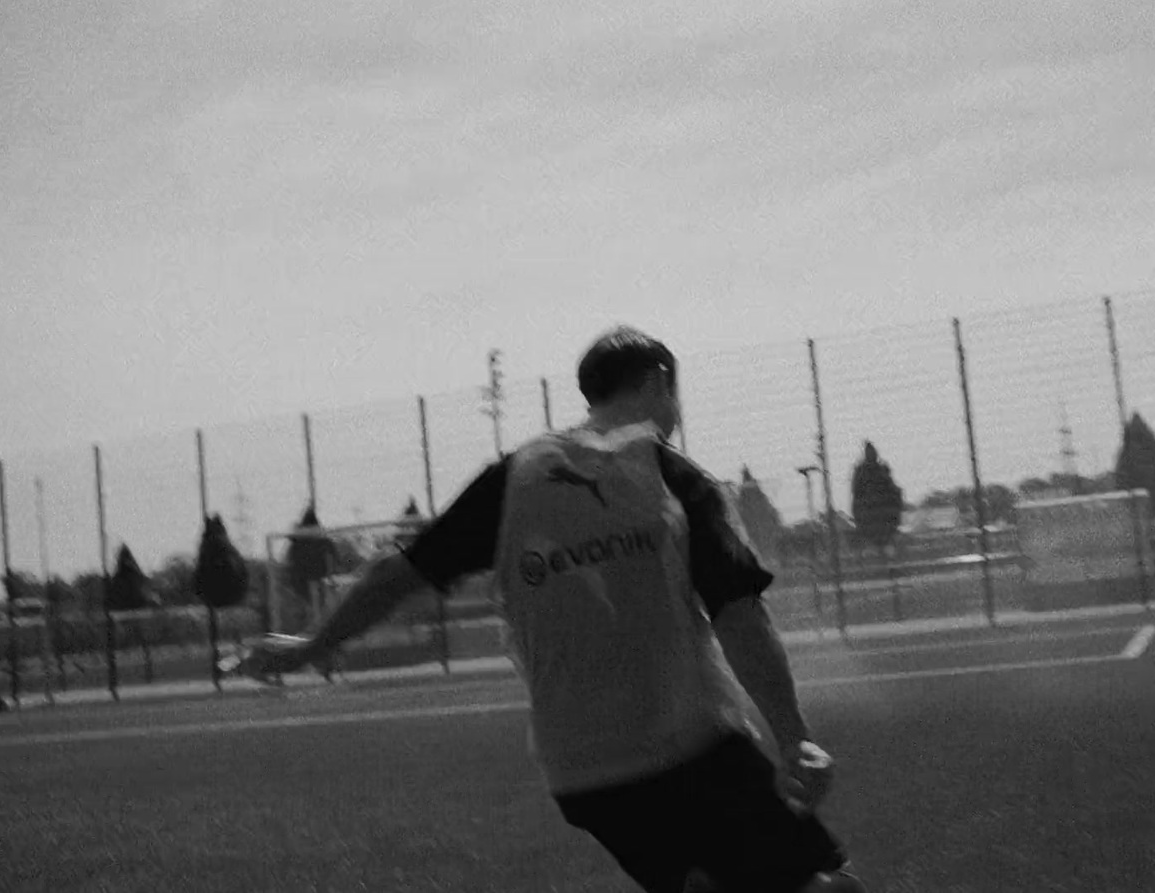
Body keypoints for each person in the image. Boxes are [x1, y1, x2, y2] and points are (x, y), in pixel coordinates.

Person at [245, 326, 866, 893]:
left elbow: (397, 572)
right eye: (675, 396)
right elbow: (738, 614)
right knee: (825, 887)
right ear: (656, 383)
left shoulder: (514, 479)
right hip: (689, 747)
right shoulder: (675, 478)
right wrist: (795, 737)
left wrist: (312, 646)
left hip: (582, 775)